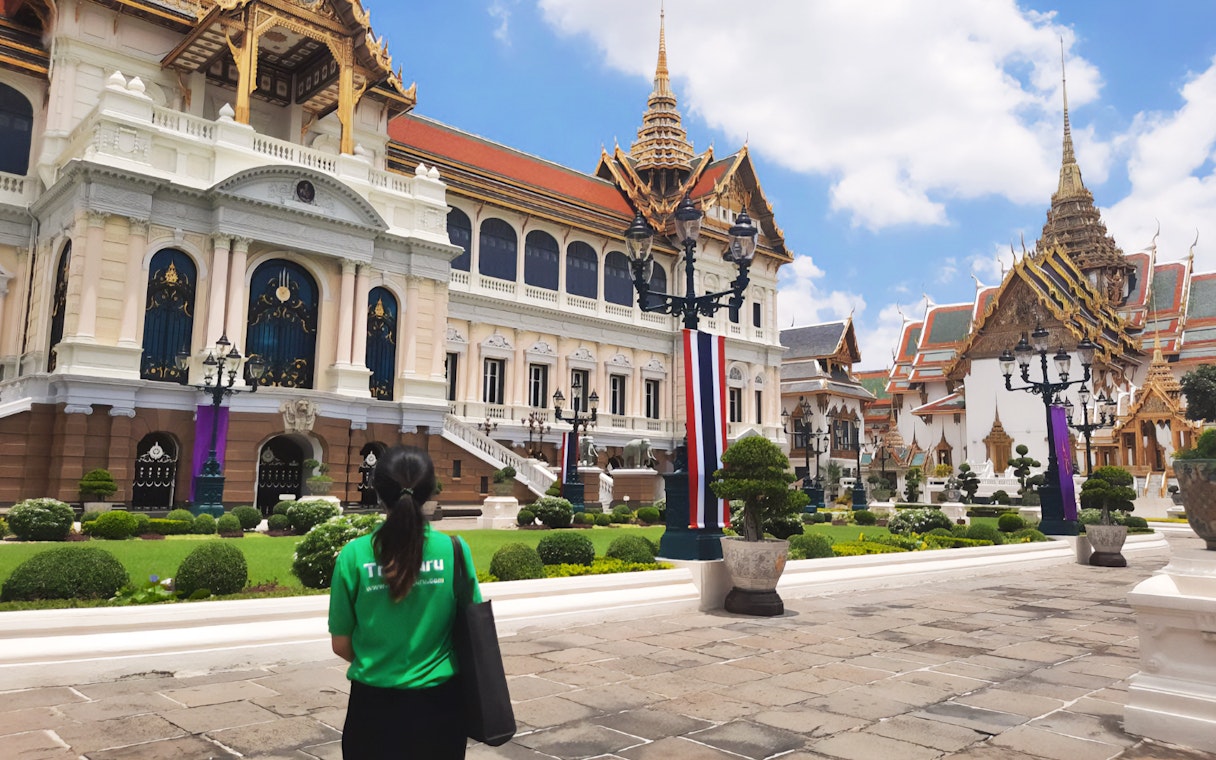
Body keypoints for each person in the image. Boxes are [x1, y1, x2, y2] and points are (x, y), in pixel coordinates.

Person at [329, 445, 479, 759]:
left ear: (377, 491)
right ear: (429, 491)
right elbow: (474, 633)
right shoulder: (453, 550)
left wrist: (381, 661)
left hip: (372, 707)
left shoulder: (354, 555)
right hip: (440, 707)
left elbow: (341, 644)